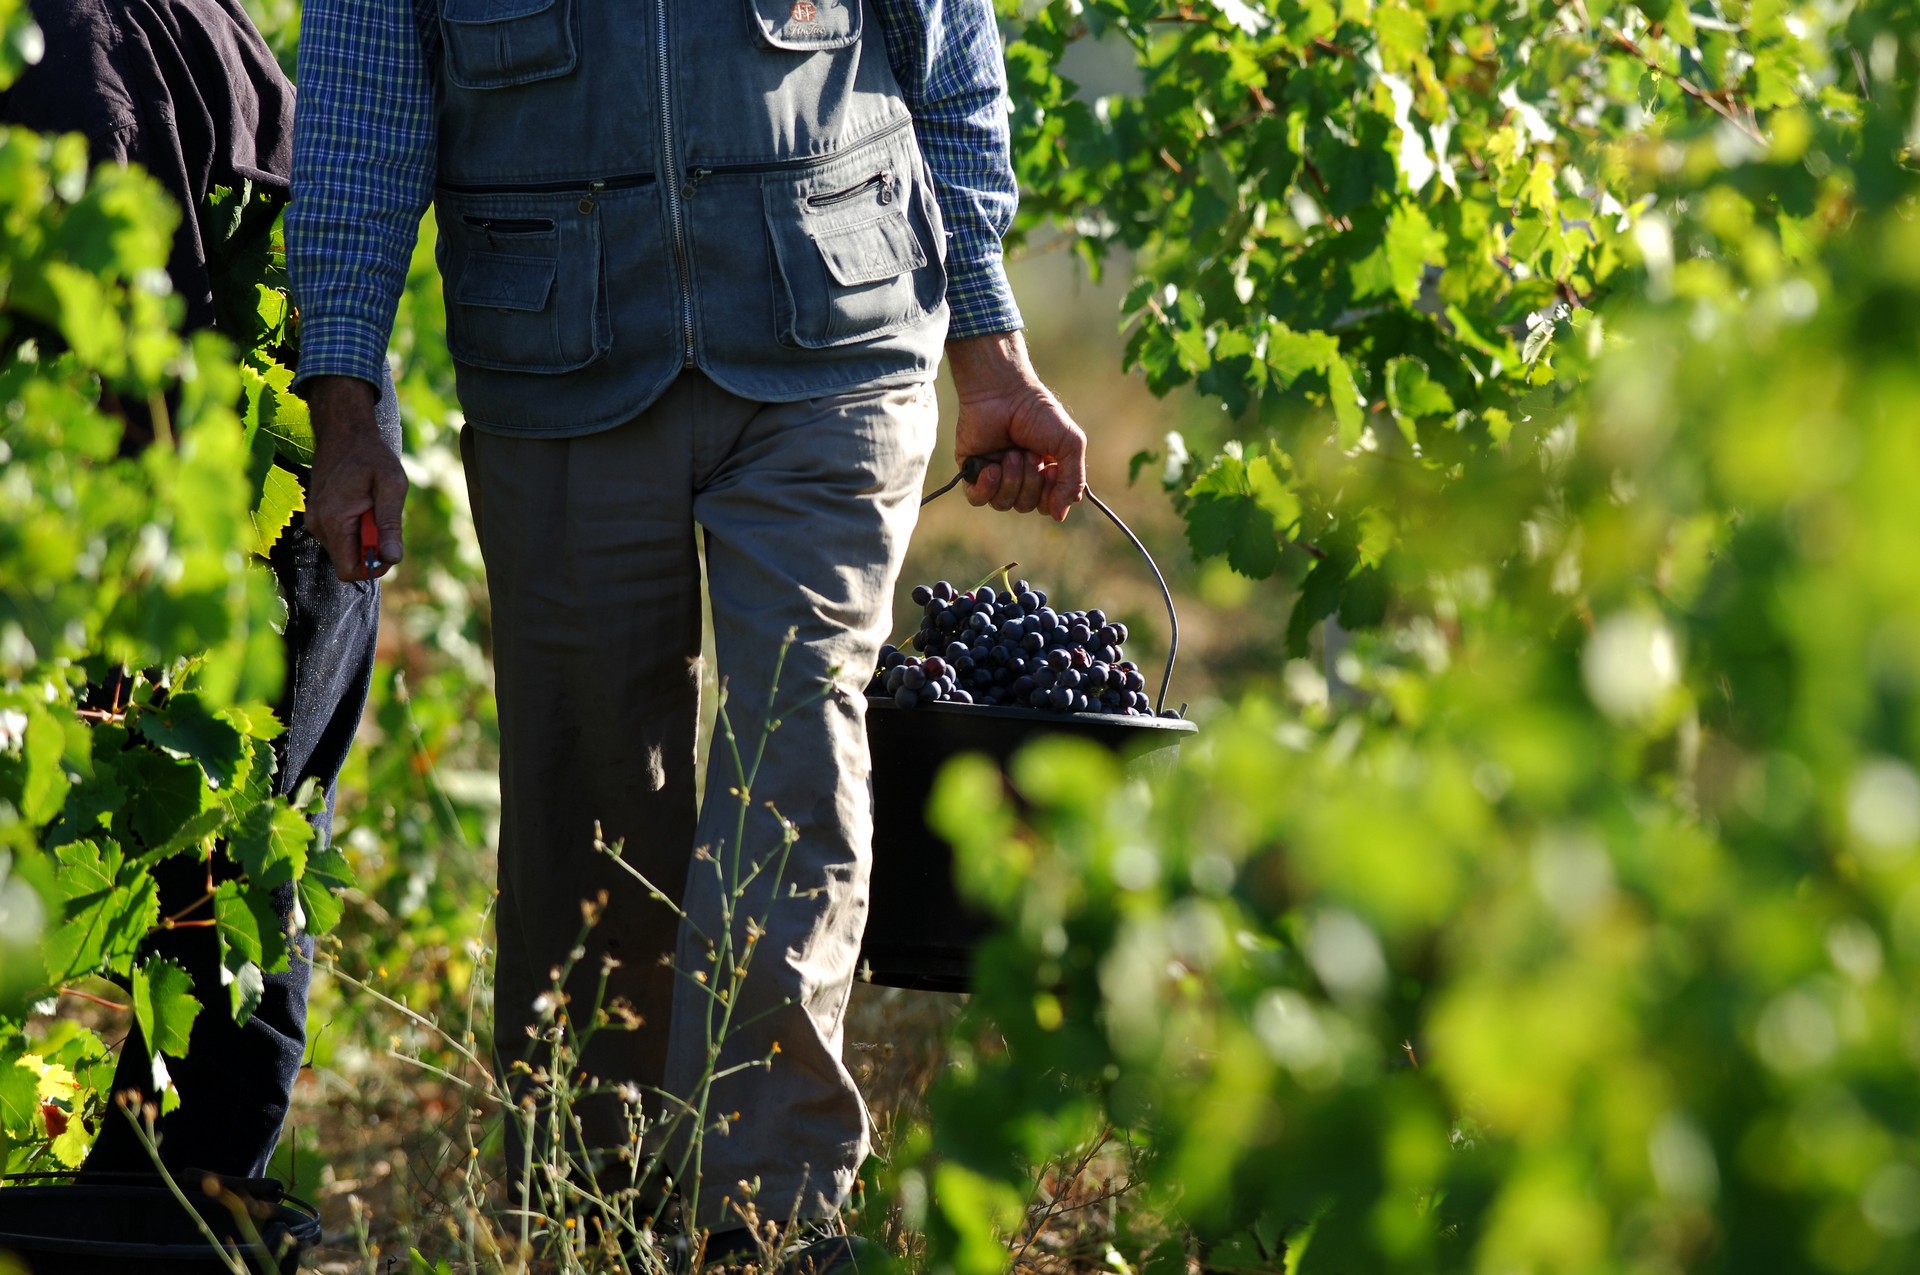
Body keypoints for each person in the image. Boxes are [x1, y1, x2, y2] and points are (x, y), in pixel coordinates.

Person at [288, 0, 1086, 1249]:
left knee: (795, 762)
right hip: (558, 362)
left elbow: (948, 44)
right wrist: (345, 404)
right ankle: (593, 1206)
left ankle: (769, 1220)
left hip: (833, 338)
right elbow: (357, 117)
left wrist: (989, 347)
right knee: (590, 806)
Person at [0, 0, 398, 1179]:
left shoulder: (64, 62)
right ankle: (169, 1213)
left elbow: (109, 364)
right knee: (243, 896)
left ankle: (171, 1221)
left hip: (254, 512)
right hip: (282, 493)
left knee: (232, 890)